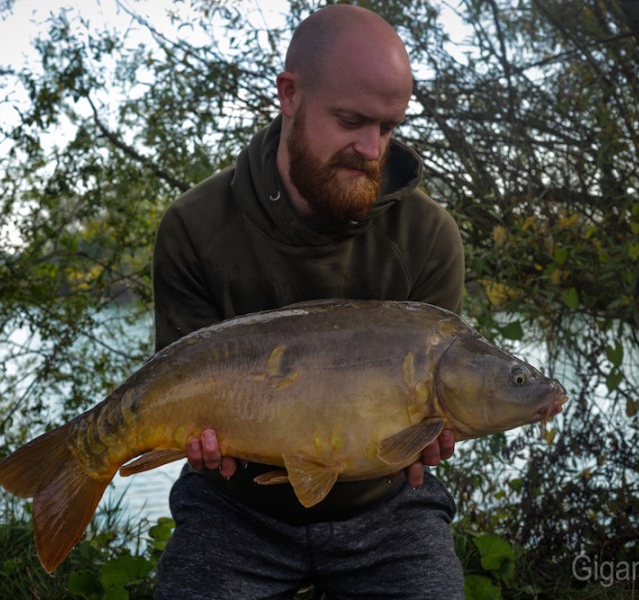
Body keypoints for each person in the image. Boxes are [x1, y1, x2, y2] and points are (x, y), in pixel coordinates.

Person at [151, 5, 465, 598]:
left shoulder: (428, 239)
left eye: (389, 127)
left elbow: (426, 432)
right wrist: (196, 442)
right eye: (351, 121)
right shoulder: (194, 226)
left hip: (388, 508)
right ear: (289, 94)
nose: (372, 150)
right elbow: (179, 387)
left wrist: (427, 438)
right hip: (235, 507)